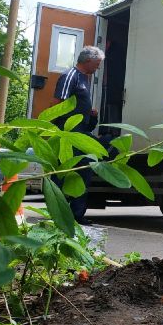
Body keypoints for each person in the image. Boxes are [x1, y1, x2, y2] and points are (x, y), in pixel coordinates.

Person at [51, 45, 105, 225]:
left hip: (81, 132)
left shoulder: (85, 79)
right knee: (62, 172)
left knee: (85, 169)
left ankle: (76, 215)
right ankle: (57, 213)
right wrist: (58, 132)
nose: (98, 67)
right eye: (97, 64)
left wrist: (90, 114)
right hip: (68, 132)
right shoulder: (70, 76)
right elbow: (58, 104)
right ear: (88, 60)